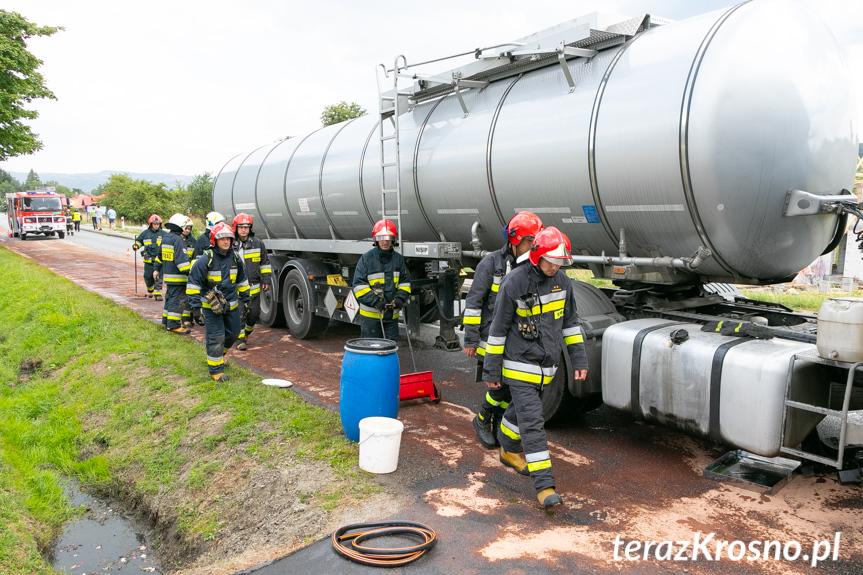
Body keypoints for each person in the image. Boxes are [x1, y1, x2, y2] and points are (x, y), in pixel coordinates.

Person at [483, 227, 588, 509]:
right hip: (519, 367)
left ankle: (507, 446)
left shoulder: (562, 282)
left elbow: (570, 324)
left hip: (547, 368)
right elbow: (497, 331)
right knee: (533, 422)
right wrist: (491, 373)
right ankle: (545, 486)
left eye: (560, 262)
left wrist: (579, 360)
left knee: (520, 412)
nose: (555, 266)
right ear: (536, 256)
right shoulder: (514, 283)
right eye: (550, 260)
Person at [463, 211, 543, 449]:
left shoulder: (533, 267)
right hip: (490, 336)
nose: (533, 245)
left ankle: (497, 420)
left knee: (511, 386)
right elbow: (474, 302)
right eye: (530, 240)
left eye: (535, 241)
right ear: (514, 239)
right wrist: (471, 338)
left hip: (517, 336)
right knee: (498, 384)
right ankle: (482, 418)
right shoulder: (491, 263)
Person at [186, 222, 250, 382]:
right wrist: (195, 307)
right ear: (214, 240)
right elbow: (193, 283)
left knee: (234, 333)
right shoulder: (206, 259)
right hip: (211, 307)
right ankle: (216, 371)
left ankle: (219, 356)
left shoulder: (235, 257)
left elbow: (242, 279)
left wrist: (247, 298)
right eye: (222, 239)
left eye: (229, 238)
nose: (226, 242)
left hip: (232, 306)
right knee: (216, 337)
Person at [352, 219, 411, 342]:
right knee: (371, 349)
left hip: (391, 316)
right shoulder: (366, 259)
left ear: (393, 240)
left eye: (388, 238)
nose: (385, 241)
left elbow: (405, 282)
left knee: (390, 349)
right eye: (381, 238)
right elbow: (358, 286)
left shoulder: (398, 259)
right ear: (376, 240)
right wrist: (375, 302)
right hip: (371, 318)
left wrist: (400, 297)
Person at [232, 213, 273, 350]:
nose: (244, 230)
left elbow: (265, 263)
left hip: (253, 288)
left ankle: (247, 333)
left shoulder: (258, 243)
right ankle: (240, 340)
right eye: (241, 227)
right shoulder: (230, 244)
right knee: (239, 314)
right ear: (236, 228)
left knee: (254, 314)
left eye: (246, 227)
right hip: (236, 289)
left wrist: (266, 279)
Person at [155, 214, 194, 334]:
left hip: (168, 276)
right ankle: (174, 325)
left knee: (170, 299)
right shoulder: (178, 240)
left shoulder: (166, 238)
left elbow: (159, 256)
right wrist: (192, 271)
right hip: (178, 278)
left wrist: (156, 268)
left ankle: (166, 321)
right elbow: (182, 263)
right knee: (177, 301)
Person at [190, 212, 226, 325]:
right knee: (206, 297)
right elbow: (197, 260)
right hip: (206, 276)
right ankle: (203, 317)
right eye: (218, 223)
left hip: (218, 277)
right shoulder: (202, 239)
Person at [132, 215, 166, 300]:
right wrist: (136, 245)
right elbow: (139, 241)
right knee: (148, 276)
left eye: (158, 224)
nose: (156, 225)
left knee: (159, 277)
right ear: (150, 224)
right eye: (154, 224)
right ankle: (150, 289)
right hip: (148, 260)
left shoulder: (164, 234)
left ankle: (158, 294)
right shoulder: (145, 233)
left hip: (159, 260)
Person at [180, 220, 197, 328]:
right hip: (179, 274)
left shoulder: (193, 241)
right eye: (185, 228)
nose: (187, 231)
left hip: (190, 274)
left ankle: (188, 319)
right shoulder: (177, 240)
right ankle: (183, 319)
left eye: (189, 229)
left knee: (189, 297)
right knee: (180, 297)